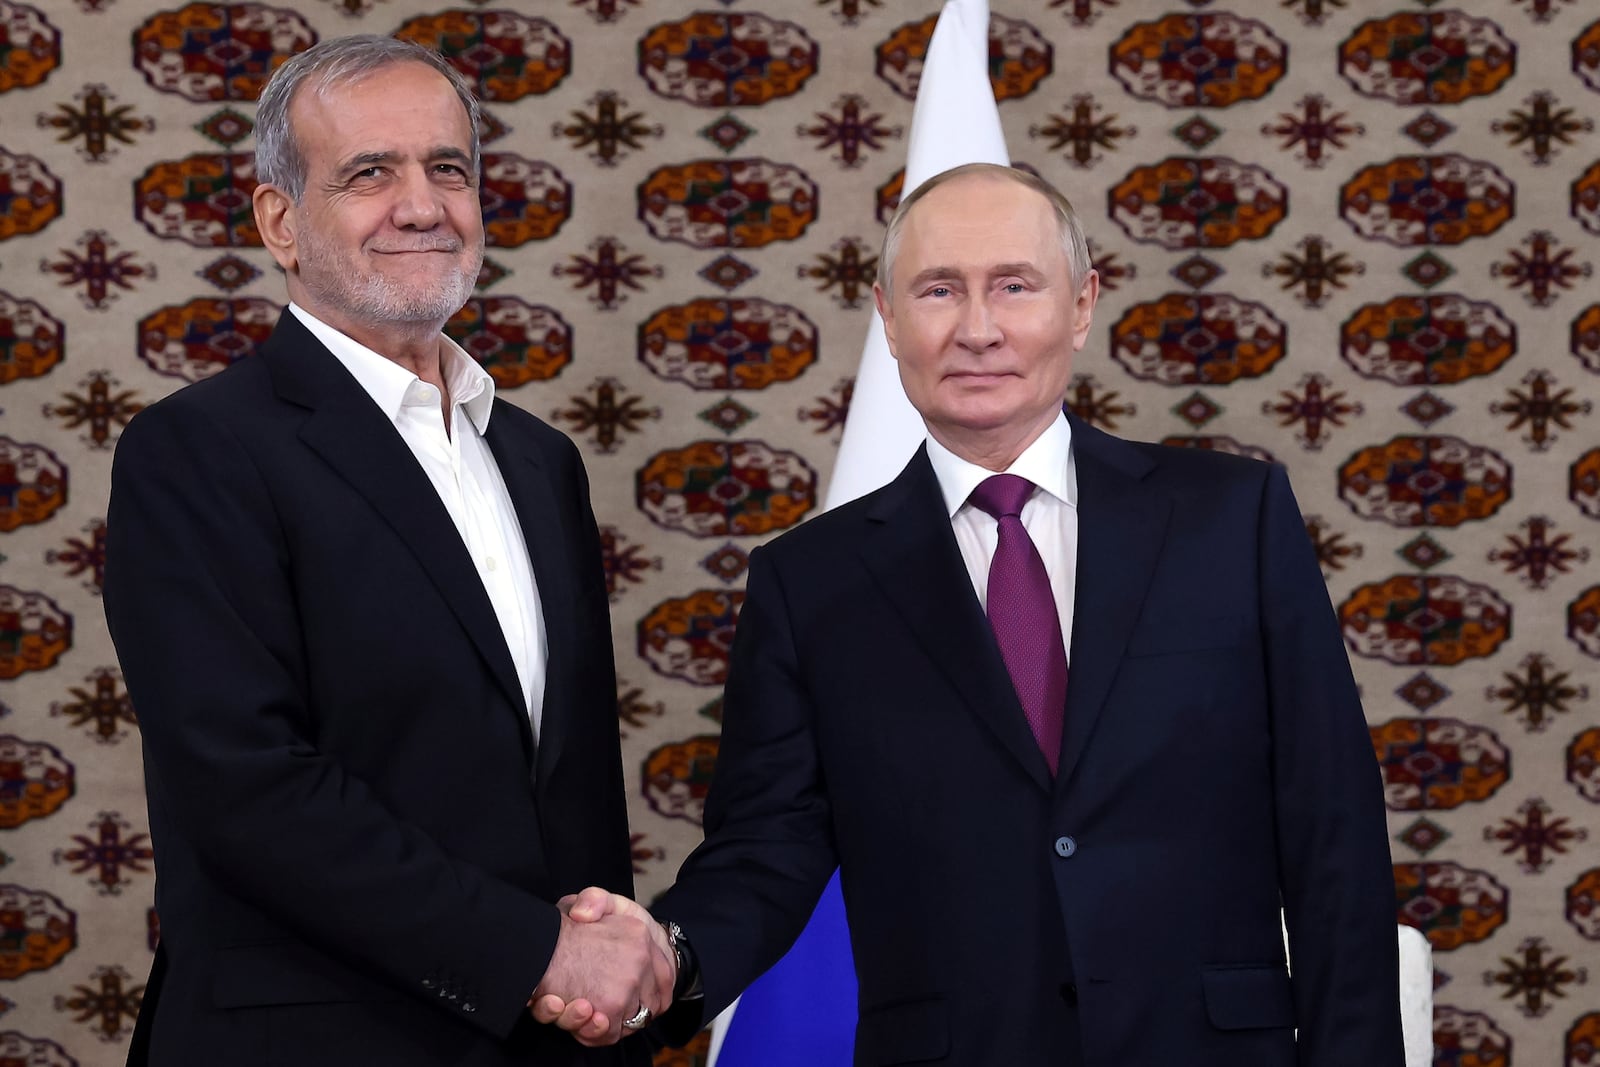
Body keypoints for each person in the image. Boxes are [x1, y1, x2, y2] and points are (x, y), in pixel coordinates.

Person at [542, 163, 1404, 1065]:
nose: (978, 329)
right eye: (939, 289)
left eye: (1015, 286)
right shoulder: (810, 583)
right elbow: (768, 850)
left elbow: (1333, 831)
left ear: (1082, 304)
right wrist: (663, 957)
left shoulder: (1235, 520)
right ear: (887, 314)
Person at [103, 35, 671, 1066]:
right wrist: (535, 951)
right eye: (369, 173)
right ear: (280, 220)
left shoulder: (540, 463)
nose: (423, 205)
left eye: (447, 168)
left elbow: (570, 800)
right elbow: (249, 790)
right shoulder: (196, 452)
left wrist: (601, 999)